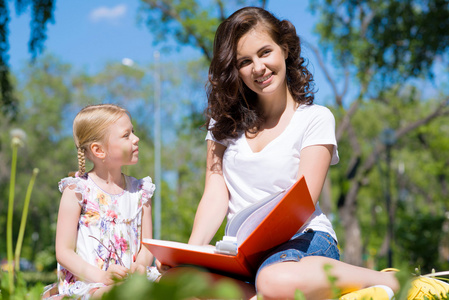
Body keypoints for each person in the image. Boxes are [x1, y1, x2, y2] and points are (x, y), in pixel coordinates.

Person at [184, 6, 449, 300]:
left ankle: (393, 282)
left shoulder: (316, 118)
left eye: (265, 52)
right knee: (179, 280)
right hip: (239, 252)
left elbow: (302, 203)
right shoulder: (221, 125)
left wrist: (252, 253)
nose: (258, 67)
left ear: (284, 49)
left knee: (274, 281)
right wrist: (188, 255)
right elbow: (214, 194)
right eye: (245, 61)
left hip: (302, 241)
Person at [42, 104, 158, 299]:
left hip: (133, 281)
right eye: (126, 135)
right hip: (90, 282)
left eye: (133, 132)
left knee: (182, 285)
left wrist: (141, 265)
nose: (136, 139)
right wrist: (102, 276)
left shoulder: (141, 192)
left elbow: (146, 245)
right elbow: (64, 251)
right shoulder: (77, 191)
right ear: (99, 150)